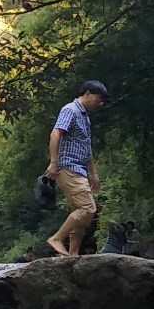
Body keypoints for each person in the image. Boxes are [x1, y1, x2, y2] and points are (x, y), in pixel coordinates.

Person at [44, 80, 108, 257]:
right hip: (68, 167)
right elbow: (56, 133)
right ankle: (57, 238)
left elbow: (86, 147)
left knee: (79, 213)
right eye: (99, 98)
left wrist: (93, 174)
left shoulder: (85, 117)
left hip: (79, 169)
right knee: (88, 209)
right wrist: (54, 162)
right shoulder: (70, 110)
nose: (100, 103)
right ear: (87, 93)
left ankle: (72, 255)